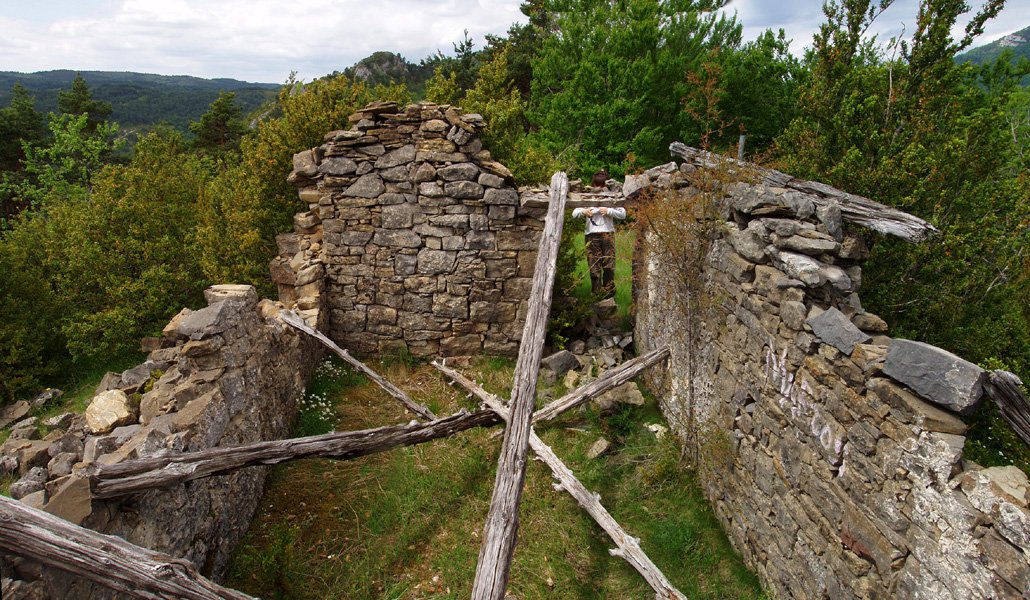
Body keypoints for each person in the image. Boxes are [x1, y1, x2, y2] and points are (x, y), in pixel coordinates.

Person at [572, 203, 626, 297]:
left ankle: (609, 295)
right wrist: (583, 211)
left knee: (609, 266)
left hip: (608, 235)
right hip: (591, 235)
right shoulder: (588, 198)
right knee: (594, 267)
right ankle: (596, 296)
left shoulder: (610, 198)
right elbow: (574, 213)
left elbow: (623, 214)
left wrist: (608, 211)